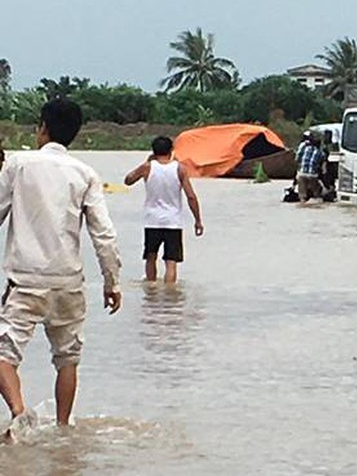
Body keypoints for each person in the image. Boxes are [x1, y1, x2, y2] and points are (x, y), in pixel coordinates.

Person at [0, 99, 122, 439]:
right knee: (67, 359)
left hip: (25, 280)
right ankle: (64, 431)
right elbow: (104, 235)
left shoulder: (19, 164)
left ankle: (19, 412)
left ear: (42, 128)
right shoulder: (85, 174)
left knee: (4, 354)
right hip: (69, 281)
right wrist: (111, 282)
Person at [124, 136, 204, 284]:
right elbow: (191, 196)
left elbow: (128, 180)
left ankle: (151, 293)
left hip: (152, 221)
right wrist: (198, 220)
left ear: (153, 151)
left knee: (150, 257)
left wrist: (146, 162)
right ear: (171, 150)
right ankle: (170, 296)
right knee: (171, 262)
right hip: (173, 222)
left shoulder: (148, 167)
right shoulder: (179, 168)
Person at [295, 132, 324, 202]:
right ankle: (316, 197)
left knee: (302, 194)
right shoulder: (320, 153)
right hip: (313, 174)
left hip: (302, 173)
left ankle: (302, 200)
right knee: (316, 192)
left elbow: (297, 159)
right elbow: (322, 166)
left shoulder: (304, 148)